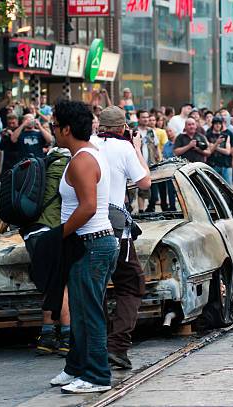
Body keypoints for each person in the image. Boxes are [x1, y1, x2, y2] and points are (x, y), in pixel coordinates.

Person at [48, 100, 119, 394]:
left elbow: (88, 207)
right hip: (89, 243)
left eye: (54, 125)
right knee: (79, 310)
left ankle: (98, 376)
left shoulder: (82, 161)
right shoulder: (84, 155)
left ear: (66, 129)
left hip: (91, 243)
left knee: (88, 312)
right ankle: (76, 367)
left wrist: (59, 234)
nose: (51, 129)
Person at [92, 106, 151, 370]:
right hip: (116, 230)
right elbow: (145, 182)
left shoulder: (88, 145)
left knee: (97, 288)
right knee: (132, 284)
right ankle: (117, 346)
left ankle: (98, 345)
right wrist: (136, 146)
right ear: (122, 127)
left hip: (87, 226)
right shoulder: (124, 148)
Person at [22, 146, 71, 357]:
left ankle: (47, 335)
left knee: (50, 286)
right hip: (52, 231)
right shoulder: (70, 167)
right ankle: (68, 338)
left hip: (31, 233)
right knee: (64, 286)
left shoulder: (42, 167)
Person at [205, 116, 233, 184]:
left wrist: (215, 147)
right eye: (216, 123)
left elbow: (227, 151)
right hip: (213, 164)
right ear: (213, 124)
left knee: (228, 186)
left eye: (219, 123)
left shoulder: (226, 135)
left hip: (225, 164)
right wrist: (217, 143)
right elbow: (209, 151)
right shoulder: (207, 136)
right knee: (212, 185)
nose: (218, 125)